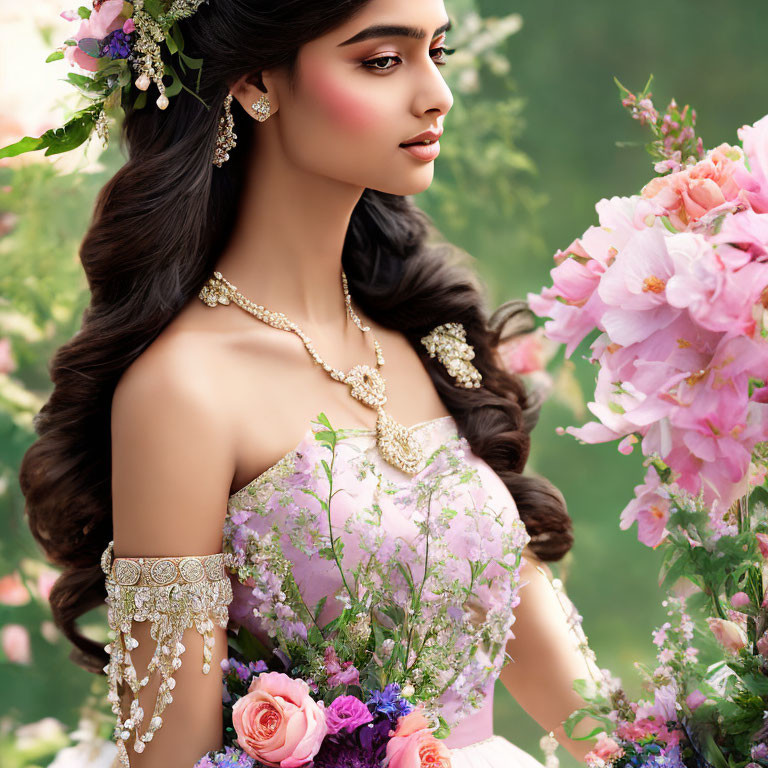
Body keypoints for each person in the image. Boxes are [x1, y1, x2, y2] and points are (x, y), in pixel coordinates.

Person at [14, 0, 612, 765]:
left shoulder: (426, 341)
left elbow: (603, 729)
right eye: (382, 61)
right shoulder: (182, 392)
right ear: (257, 83)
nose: (437, 93)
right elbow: (170, 757)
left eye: (439, 52)